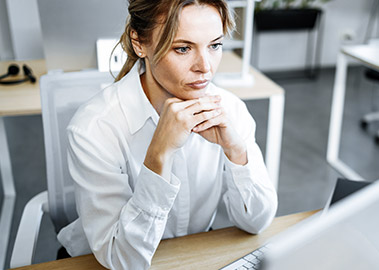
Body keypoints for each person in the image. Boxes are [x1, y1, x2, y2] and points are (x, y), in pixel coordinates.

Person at [56, 0, 278, 269]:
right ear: (139, 43)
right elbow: (122, 259)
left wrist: (236, 152)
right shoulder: (94, 128)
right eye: (183, 48)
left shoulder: (230, 109)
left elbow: (257, 222)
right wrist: (158, 157)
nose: (205, 67)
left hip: (189, 257)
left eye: (215, 45)